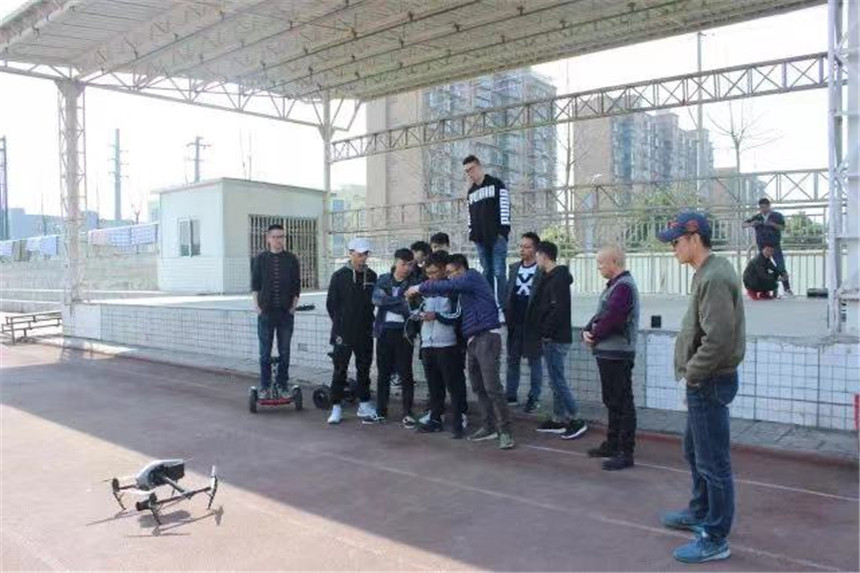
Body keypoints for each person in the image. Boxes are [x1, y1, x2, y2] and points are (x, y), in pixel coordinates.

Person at [656, 211, 746, 564]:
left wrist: (693, 372)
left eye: (676, 241)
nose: (673, 248)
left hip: (709, 380)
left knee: (713, 462)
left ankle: (715, 536)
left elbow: (718, 339)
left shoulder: (714, 277)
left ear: (695, 238)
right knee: (696, 452)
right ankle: (701, 511)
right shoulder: (708, 273)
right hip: (705, 380)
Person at [406, 254, 515, 450]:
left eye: (450, 273)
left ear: (461, 270)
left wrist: (419, 287)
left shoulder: (472, 277)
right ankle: (488, 426)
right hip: (472, 339)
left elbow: (446, 289)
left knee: (492, 386)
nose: (449, 277)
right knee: (478, 387)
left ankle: (505, 431)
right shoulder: (463, 289)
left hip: (487, 336)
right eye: (447, 273)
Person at [582, 245, 640, 471]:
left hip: (617, 354)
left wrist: (594, 334)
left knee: (622, 402)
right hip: (609, 353)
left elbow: (613, 317)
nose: (598, 267)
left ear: (614, 262)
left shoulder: (623, 287)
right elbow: (602, 314)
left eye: (601, 263)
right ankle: (613, 444)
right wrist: (587, 330)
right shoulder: (616, 286)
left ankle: (625, 451)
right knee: (613, 401)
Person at [524, 241, 588, 441]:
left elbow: (557, 309)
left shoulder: (557, 278)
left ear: (543, 256)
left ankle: (576, 417)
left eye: (536, 255)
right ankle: (559, 418)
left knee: (558, 380)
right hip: (552, 336)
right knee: (554, 380)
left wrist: (547, 332)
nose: (535, 259)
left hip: (555, 337)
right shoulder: (548, 277)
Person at [325, 238, 379, 425]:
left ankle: (364, 402)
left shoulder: (372, 276)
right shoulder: (339, 276)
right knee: (340, 369)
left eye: (365, 254)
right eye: (359, 254)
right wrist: (340, 324)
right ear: (351, 254)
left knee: (364, 368)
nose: (362, 258)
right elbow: (331, 304)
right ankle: (336, 406)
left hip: (365, 330)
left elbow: (373, 302)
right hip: (343, 331)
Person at [415, 250, 468, 438]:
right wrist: (418, 314)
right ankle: (435, 417)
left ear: (444, 270)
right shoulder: (424, 288)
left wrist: (436, 316)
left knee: (454, 384)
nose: (431, 276)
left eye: (435, 272)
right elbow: (417, 308)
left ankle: (459, 419)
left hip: (448, 343)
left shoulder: (453, 289)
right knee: (434, 385)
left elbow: (457, 316)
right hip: (428, 344)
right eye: (428, 273)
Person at [373, 248, 421, 427]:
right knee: (383, 373)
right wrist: (401, 300)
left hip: (404, 333)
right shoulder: (383, 279)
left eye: (410, 265)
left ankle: (407, 413)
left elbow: (411, 309)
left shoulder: (414, 283)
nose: (407, 268)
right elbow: (377, 300)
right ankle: (381, 411)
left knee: (406, 374)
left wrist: (390, 302)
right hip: (384, 331)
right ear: (395, 262)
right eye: (403, 264)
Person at [251, 224, 301, 399]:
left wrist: (293, 307)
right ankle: (265, 386)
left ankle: (282, 385)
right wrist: (257, 307)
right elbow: (255, 285)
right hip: (265, 313)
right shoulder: (260, 259)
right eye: (275, 237)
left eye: (281, 237)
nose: (278, 240)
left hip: (285, 314)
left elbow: (296, 286)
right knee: (264, 353)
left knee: (284, 352)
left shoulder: (291, 259)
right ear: (268, 238)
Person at [463, 154, 510, 308]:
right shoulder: (471, 192)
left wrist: (503, 232)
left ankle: (504, 305)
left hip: (497, 237)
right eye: (467, 171)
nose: (470, 173)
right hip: (479, 238)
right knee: (486, 271)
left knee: (499, 272)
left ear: (479, 166)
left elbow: (504, 207)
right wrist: (472, 233)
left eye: (471, 169)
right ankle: (489, 305)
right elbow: (469, 215)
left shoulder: (496, 184)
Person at [503, 232, 543, 412]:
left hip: (533, 323)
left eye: (527, 247)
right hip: (515, 321)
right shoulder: (513, 268)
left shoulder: (541, 270)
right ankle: (511, 395)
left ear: (535, 249)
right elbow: (508, 291)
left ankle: (534, 397)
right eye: (521, 246)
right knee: (512, 359)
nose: (523, 250)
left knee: (534, 361)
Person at [743, 198, 792, 296]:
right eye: (761, 208)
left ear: (769, 206)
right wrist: (752, 224)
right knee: (763, 267)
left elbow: (782, 227)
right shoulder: (757, 217)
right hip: (762, 246)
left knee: (780, 266)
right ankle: (766, 290)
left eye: (765, 207)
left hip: (774, 245)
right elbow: (743, 224)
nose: (763, 210)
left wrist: (772, 224)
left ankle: (787, 289)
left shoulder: (777, 215)